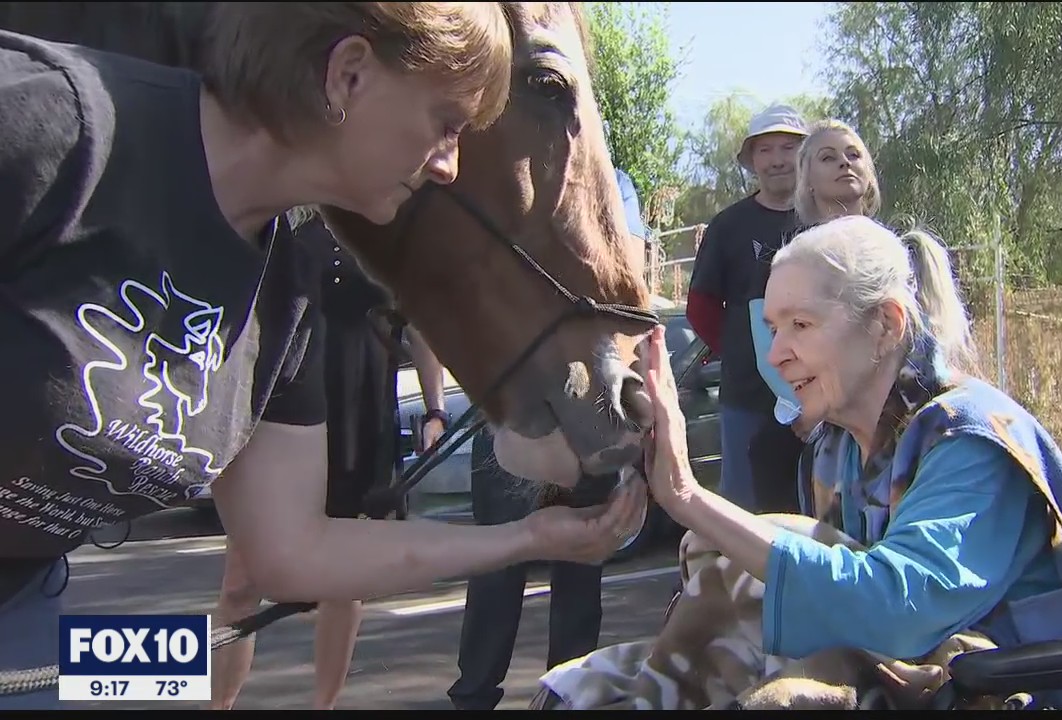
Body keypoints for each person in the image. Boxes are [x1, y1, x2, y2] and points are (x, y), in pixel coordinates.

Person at [0, 5, 645, 710]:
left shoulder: (284, 298)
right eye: (445, 123)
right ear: (348, 76)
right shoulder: (47, 122)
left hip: (27, 603)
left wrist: (528, 537)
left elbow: (293, 554)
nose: (450, 163)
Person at [532, 215, 1062, 710]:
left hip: (997, 688)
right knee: (585, 684)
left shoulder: (972, 440)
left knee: (744, 574)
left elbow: (900, 613)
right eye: (772, 328)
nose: (777, 353)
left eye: (801, 325)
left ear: (885, 325)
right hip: (888, 674)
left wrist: (689, 498)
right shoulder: (835, 449)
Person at [208, 216, 448, 710]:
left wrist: (436, 410)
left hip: (360, 416)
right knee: (240, 582)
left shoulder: (390, 229)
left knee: (343, 580)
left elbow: (423, 326)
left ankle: (324, 706)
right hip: (279, 415)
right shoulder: (289, 215)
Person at [447, 167, 651, 711]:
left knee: (582, 563)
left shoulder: (615, 183)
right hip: (511, 406)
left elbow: (627, 285)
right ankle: (474, 697)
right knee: (497, 564)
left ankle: (569, 695)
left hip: (590, 408)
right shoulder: (487, 178)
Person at [747, 118, 883, 514]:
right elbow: (768, 350)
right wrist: (811, 409)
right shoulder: (785, 262)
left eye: (853, 154)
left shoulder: (899, 252)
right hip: (810, 414)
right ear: (806, 180)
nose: (845, 163)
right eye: (828, 157)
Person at [686, 104, 808, 513]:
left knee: (817, 505)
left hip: (821, 394)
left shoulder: (822, 220)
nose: (777, 160)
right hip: (747, 399)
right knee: (747, 511)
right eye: (765, 150)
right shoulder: (728, 226)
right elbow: (700, 308)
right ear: (752, 160)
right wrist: (743, 351)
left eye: (788, 148)